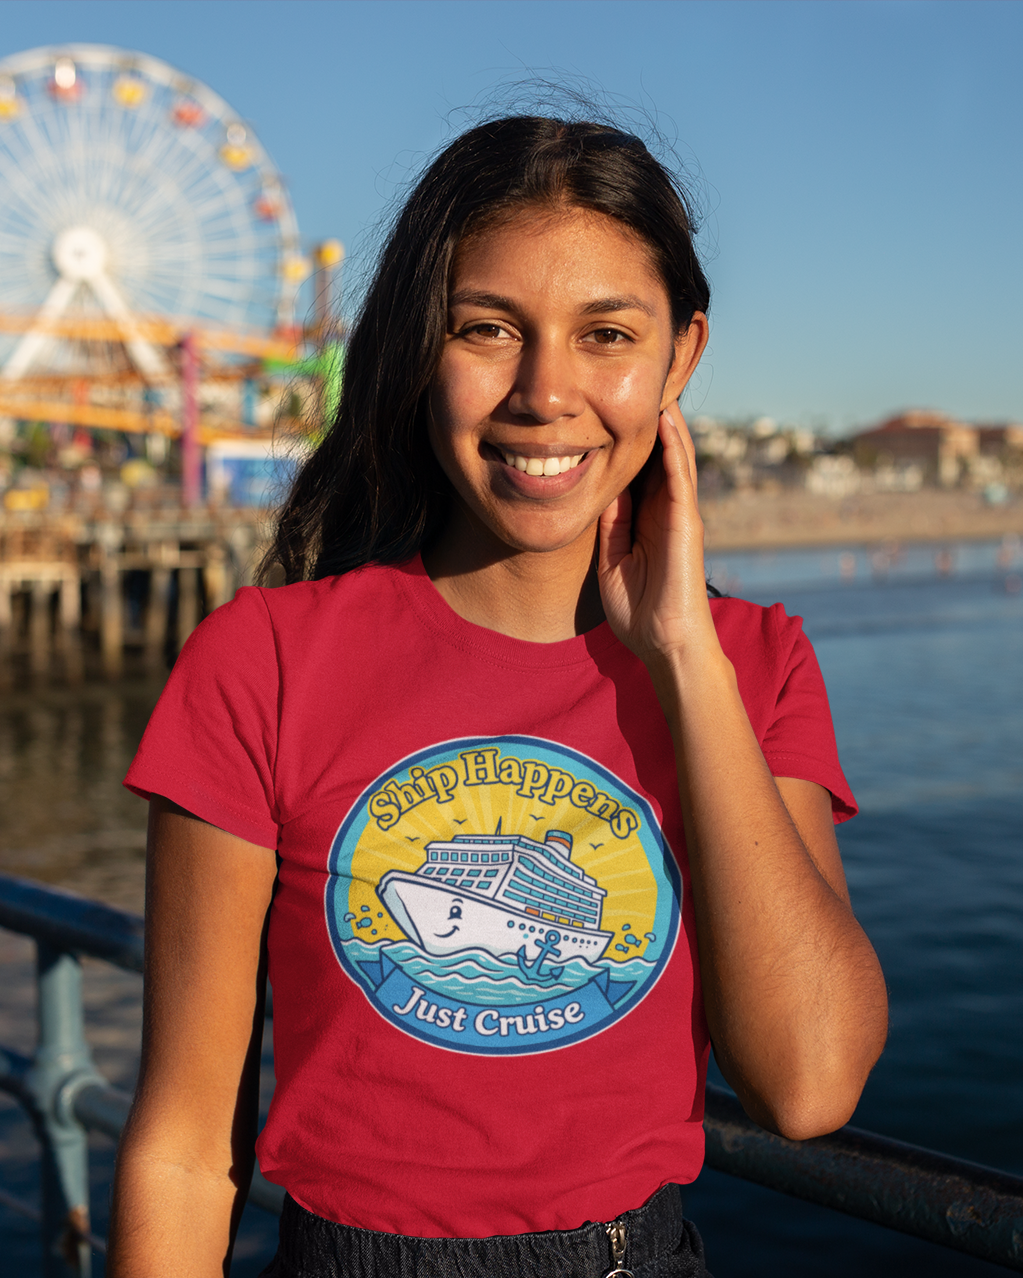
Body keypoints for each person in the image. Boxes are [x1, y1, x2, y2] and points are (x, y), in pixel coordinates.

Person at [109, 116, 888, 1278]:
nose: (545, 392)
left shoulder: (749, 664)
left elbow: (809, 1081)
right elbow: (182, 1145)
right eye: (488, 329)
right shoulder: (262, 660)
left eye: (606, 335)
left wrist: (683, 657)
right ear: (421, 345)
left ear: (681, 357)